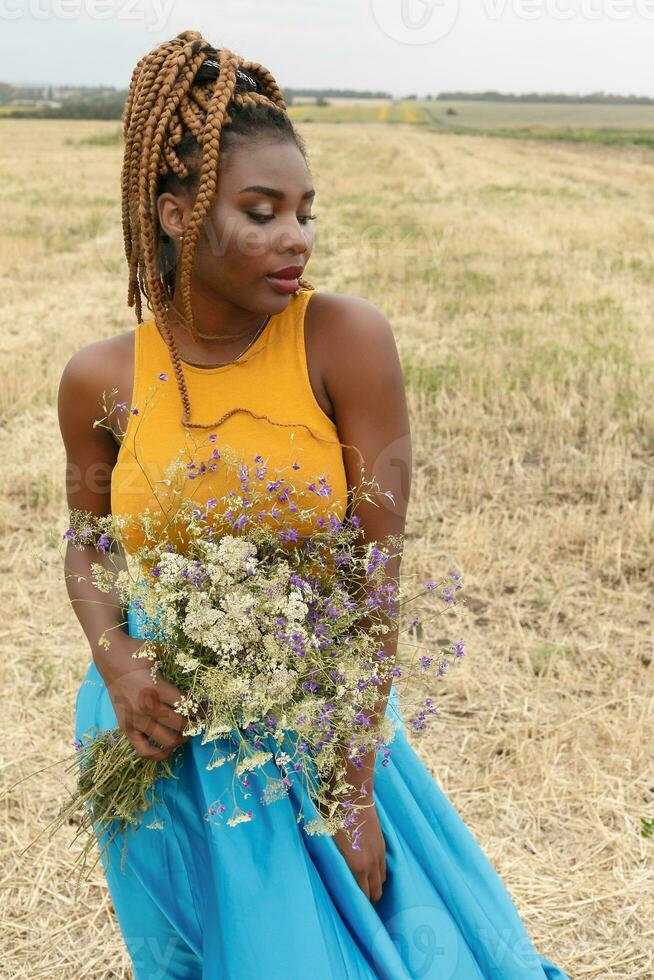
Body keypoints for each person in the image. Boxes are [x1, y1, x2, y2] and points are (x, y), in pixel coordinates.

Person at [58, 30, 570, 980]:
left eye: (305, 211)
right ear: (173, 213)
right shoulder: (100, 378)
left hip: (316, 723)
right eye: (262, 212)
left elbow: (374, 574)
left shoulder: (343, 340)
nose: (296, 237)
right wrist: (121, 667)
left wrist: (353, 783)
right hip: (158, 737)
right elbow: (88, 547)